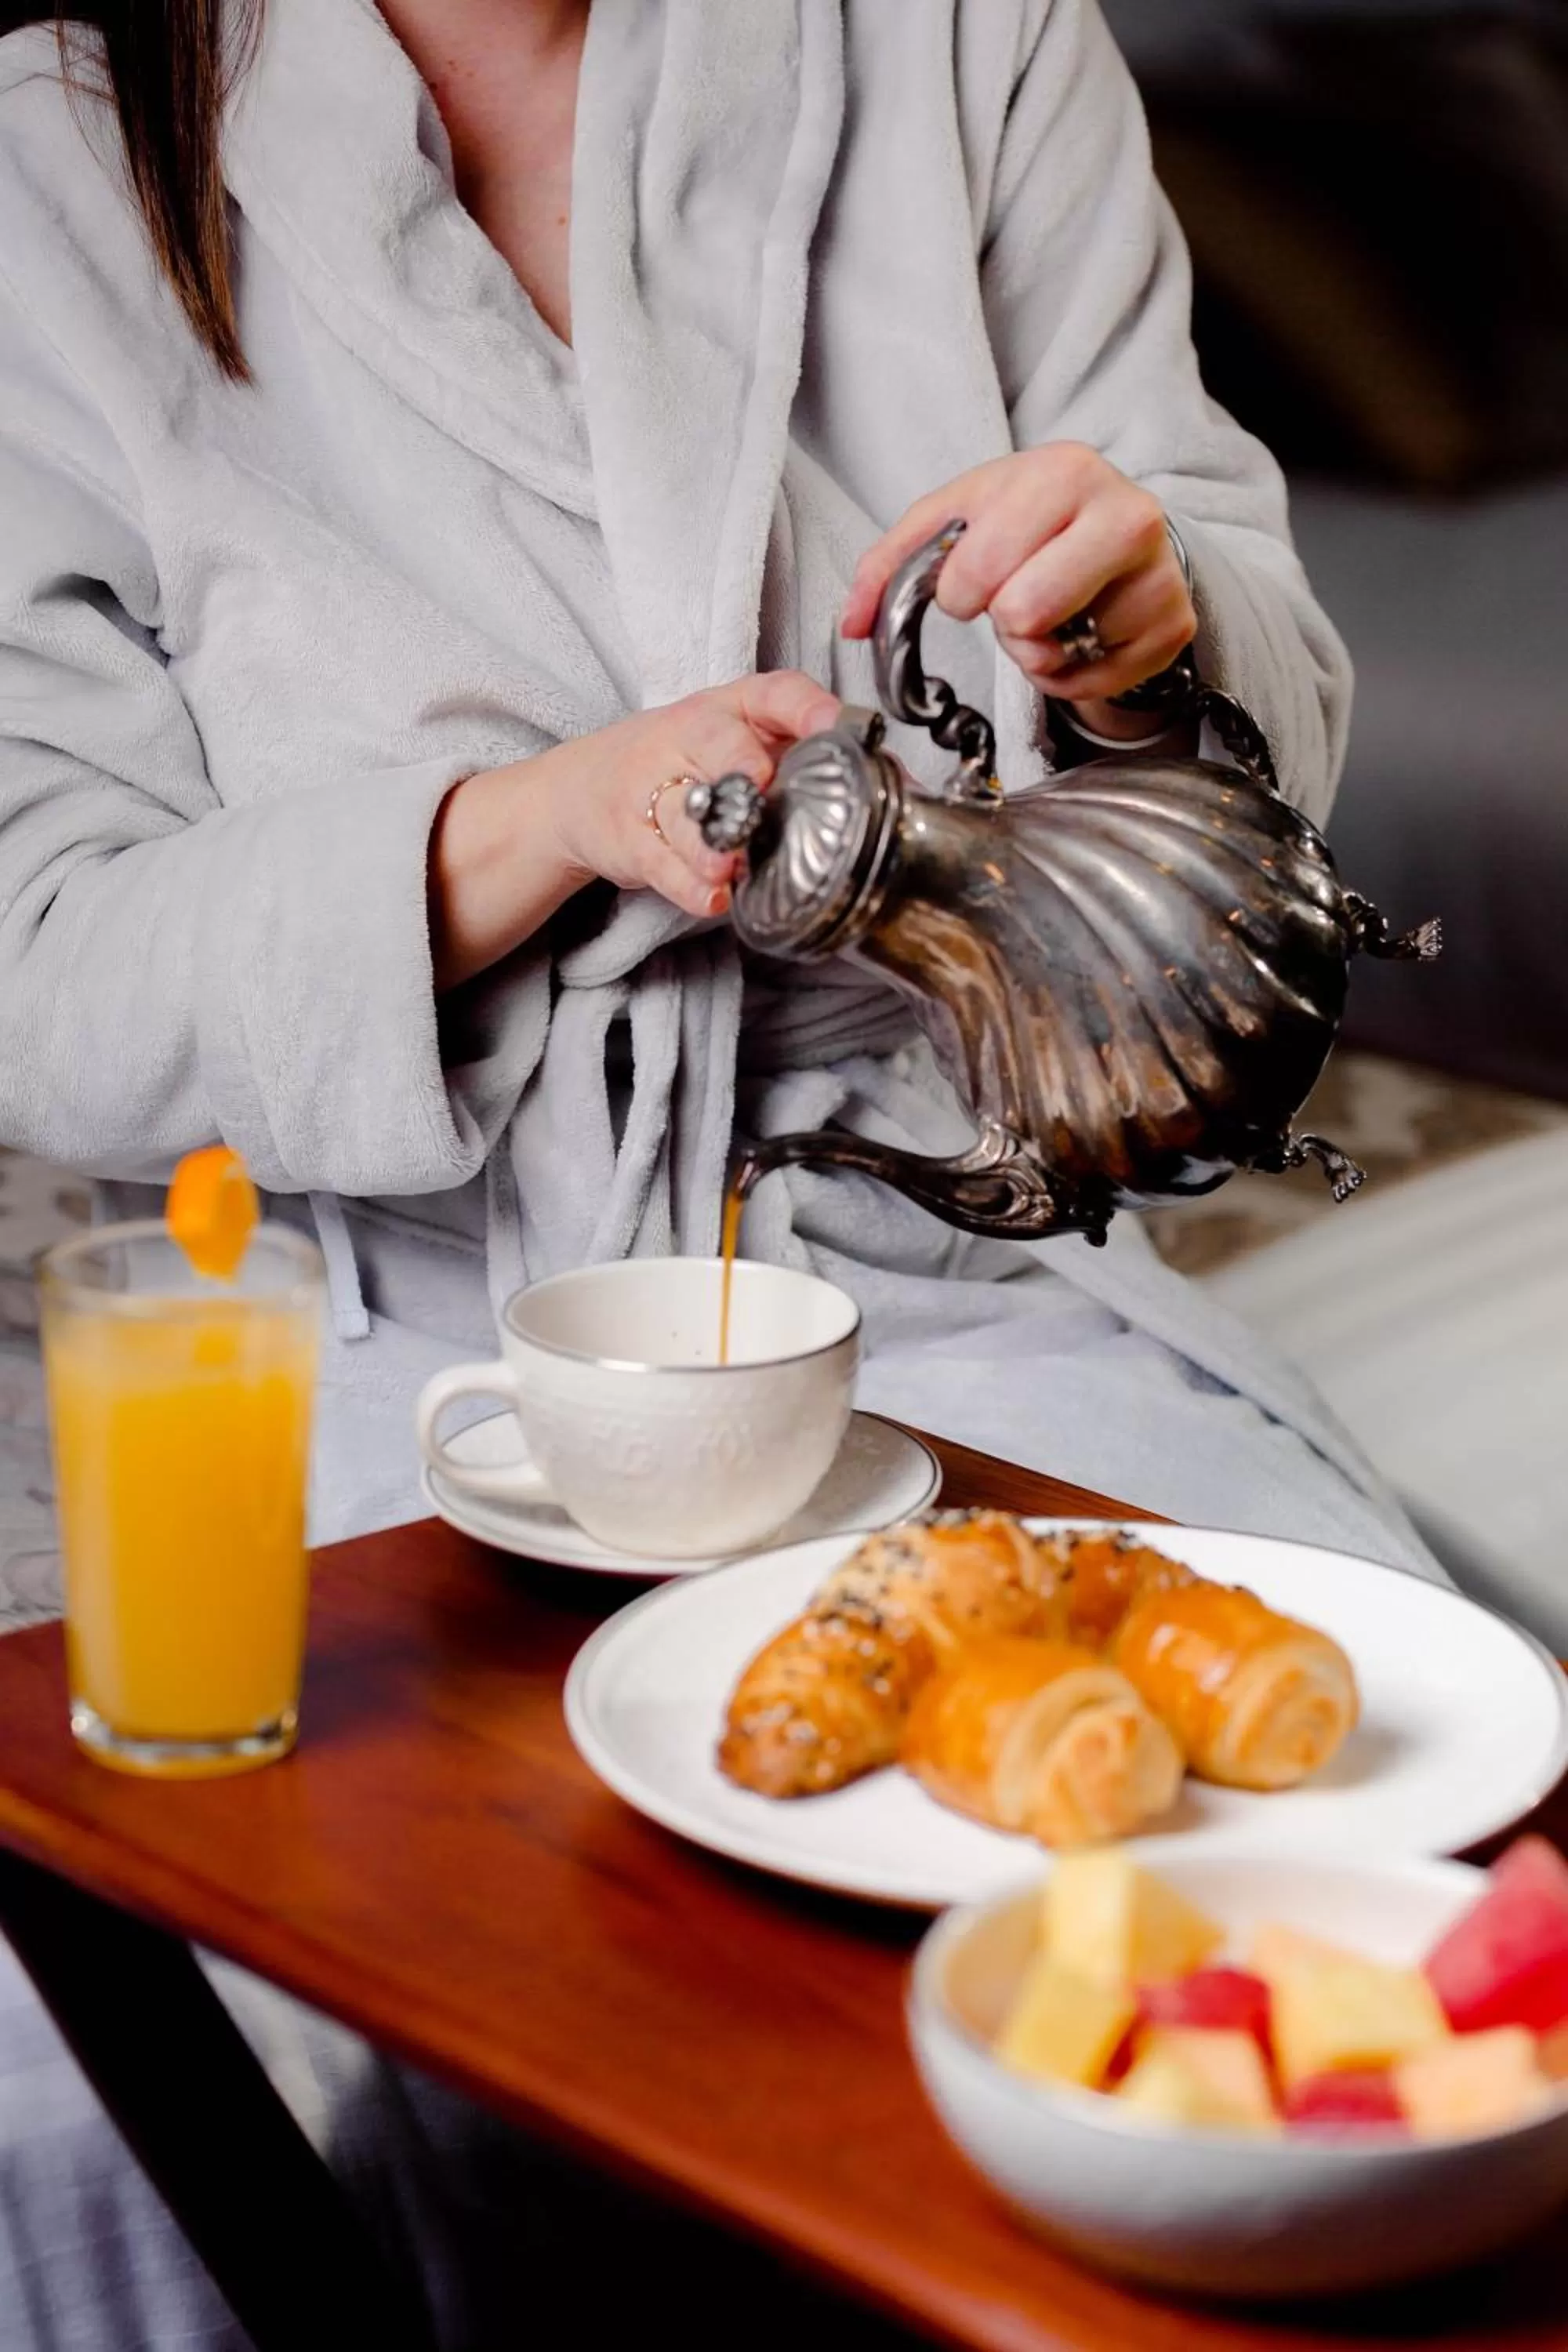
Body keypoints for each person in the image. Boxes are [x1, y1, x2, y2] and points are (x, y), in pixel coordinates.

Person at [0, 1, 1434, 2341]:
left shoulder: (969, 42)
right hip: (443, 1352)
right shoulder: (50, 167)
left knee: (1312, 1883)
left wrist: (1154, 625)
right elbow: (33, 949)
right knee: (298, 2096)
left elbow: (1263, 722)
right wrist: (527, 830)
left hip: (942, 1284)